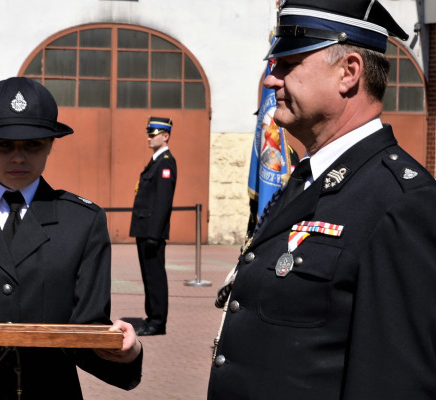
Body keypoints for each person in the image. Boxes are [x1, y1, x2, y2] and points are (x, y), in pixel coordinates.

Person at [208, 1, 436, 398]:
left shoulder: (401, 202)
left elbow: (394, 380)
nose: (270, 80)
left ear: (349, 73)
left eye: (287, 64)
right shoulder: (308, 179)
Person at [0, 77, 143, 399]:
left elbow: (85, 334)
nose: (18, 157)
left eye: (32, 145)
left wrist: (126, 353)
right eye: (4, 145)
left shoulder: (82, 222)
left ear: (50, 144)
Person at [129, 116, 177, 337]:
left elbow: (163, 202)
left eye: (153, 133)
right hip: (145, 228)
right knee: (148, 276)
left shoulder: (166, 162)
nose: (149, 137)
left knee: (155, 276)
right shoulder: (156, 161)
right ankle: (151, 318)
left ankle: (158, 321)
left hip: (151, 232)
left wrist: (154, 234)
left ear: (165, 136)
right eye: (148, 133)